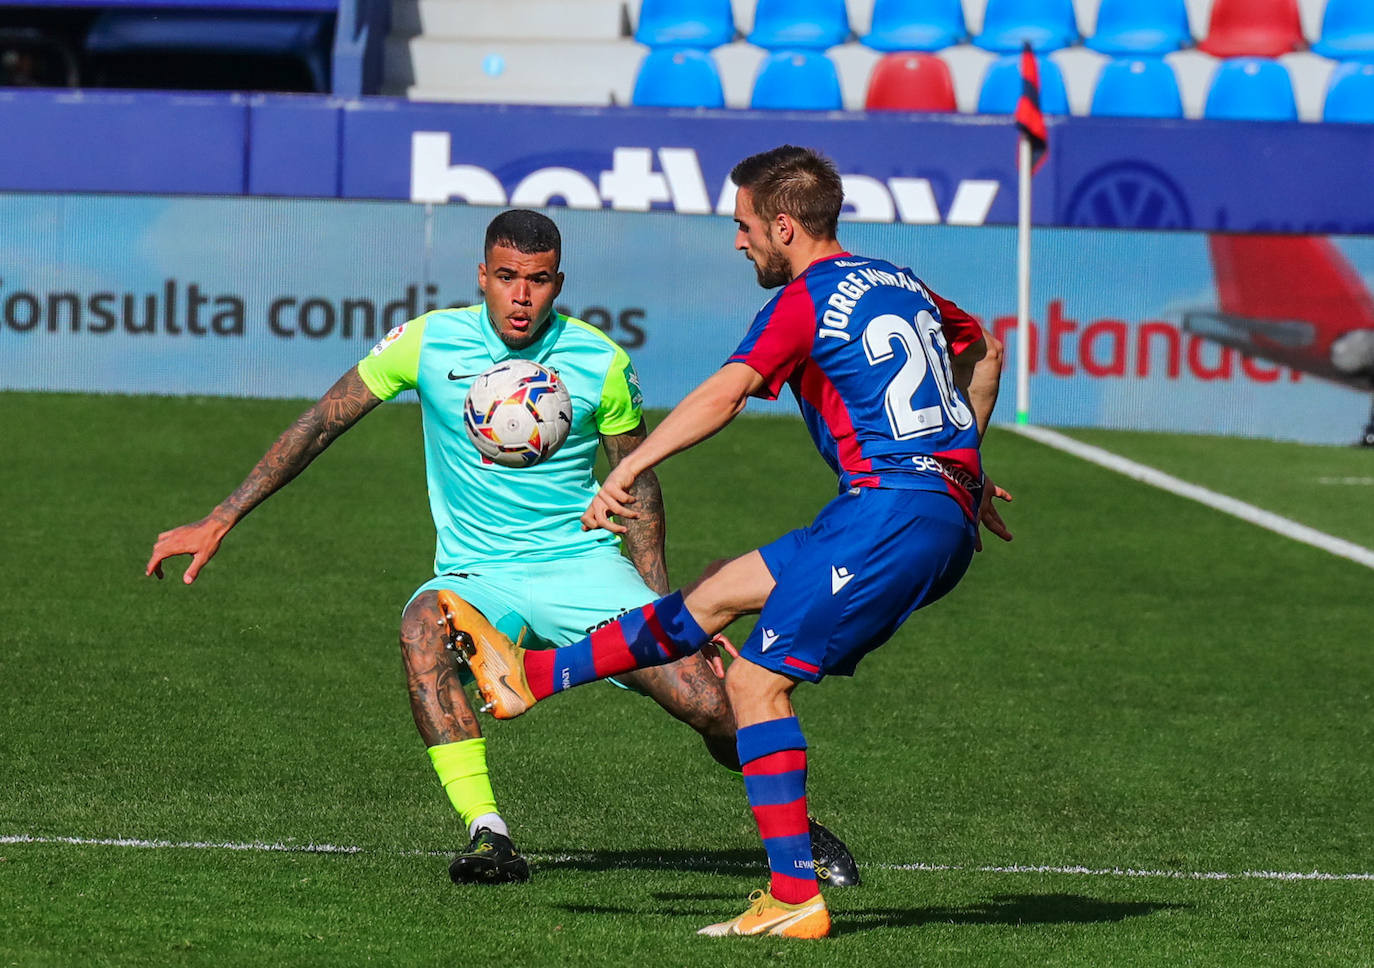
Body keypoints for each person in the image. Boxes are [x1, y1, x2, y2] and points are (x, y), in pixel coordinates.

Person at [145, 208, 858, 886]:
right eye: (508, 276)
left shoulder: (598, 359)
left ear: (559, 284)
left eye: (539, 280)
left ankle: (797, 829)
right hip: (477, 575)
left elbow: (636, 487)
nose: (522, 296)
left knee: (708, 702)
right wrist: (221, 517)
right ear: (481, 275)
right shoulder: (426, 342)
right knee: (421, 630)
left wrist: (665, 606)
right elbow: (319, 424)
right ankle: (490, 834)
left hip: (583, 567)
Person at [450, 148, 1012, 937]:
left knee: (753, 686)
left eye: (745, 226)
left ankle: (793, 899)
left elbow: (727, 391)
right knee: (714, 595)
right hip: (906, 507)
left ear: (784, 226)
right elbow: (985, 348)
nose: (738, 241)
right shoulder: (898, 280)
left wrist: (632, 466)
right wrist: (964, 470)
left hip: (890, 511)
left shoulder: (806, 297)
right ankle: (533, 676)